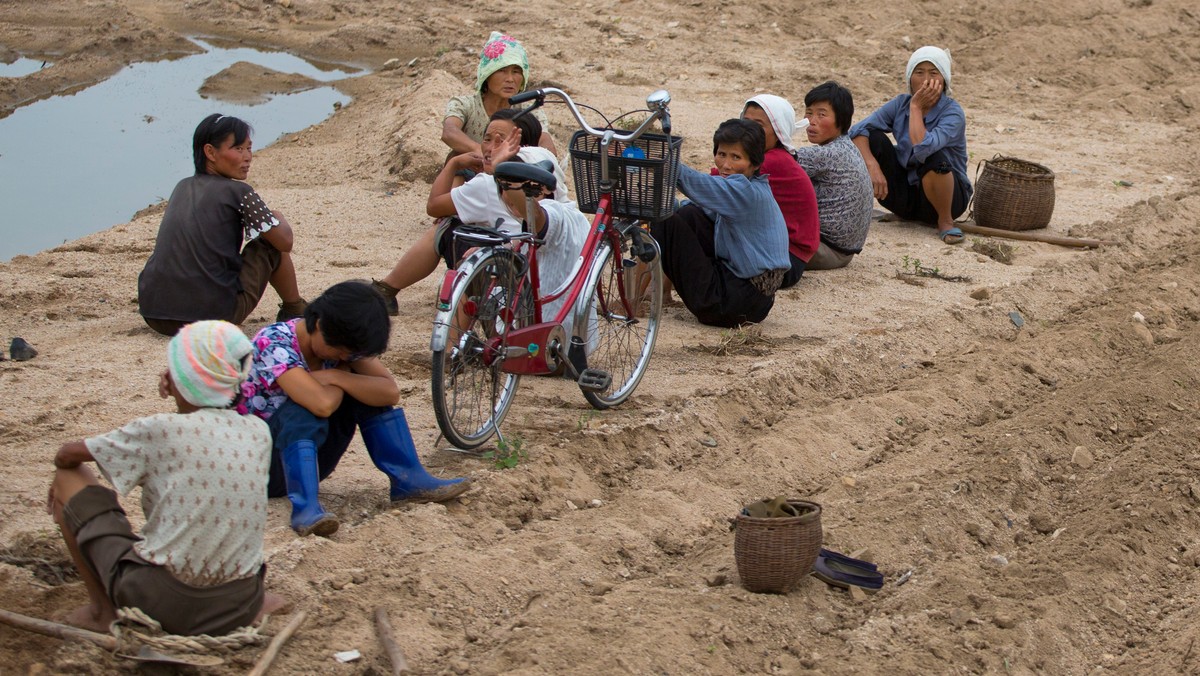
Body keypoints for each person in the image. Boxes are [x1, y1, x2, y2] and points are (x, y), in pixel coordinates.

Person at [46, 320, 282, 635]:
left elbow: (66, 455)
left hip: (159, 601)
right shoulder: (259, 431)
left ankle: (102, 611)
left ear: (179, 380)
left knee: (68, 478)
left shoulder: (158, 430)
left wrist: (178, 401)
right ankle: (247, 603)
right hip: (240, 604)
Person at [239, 281, 470, 537]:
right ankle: (305, 508)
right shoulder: (274, 342)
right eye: (340, 352)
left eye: (351, 355)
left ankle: (408, 479)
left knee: (366, 393)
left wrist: (339, 377)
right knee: (303, 408)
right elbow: (322, 404)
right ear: (317, 324)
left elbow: (389, 391)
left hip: (311, 462)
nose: (344, 357)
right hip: (260, 469)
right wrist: (344, 374)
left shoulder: (343, 345)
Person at [372, 108, 577, 316]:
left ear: (518, 147)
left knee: (446, 226)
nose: (489, 148)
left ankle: (387, 289)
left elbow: (433, 206)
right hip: (559, 271)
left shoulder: (486, 185)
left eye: (501, 141)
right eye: (487, 139)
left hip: (515, 275)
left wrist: (454, 163)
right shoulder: (548, 164)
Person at [138, 114, 308, 336]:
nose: (247, 157)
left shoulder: (181, 187)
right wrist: (277, 216)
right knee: (269, 244)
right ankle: (294, 309)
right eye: (238, 149)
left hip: (154, 314)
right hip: (210, 319)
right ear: (210, 152)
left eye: (249, 148)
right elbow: (284, 242)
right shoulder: (239, 192)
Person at [650, 119, 790, 328]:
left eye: (736, 157)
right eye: (722, 154)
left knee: (664, 221)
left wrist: (662, 160)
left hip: (734, 302)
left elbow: (698, 184)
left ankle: (641, 298)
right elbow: (695, 206)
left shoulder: (744, 191)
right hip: (755, 302)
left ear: (755, 163)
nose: (726, 165)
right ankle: (662, 292)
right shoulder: (753, 187)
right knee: (689, 213)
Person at [849, 46, 972, 244]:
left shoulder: (953, 113)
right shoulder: (899, 104)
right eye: (919, 72)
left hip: (947, 201)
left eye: (933, 73)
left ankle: (946, 222)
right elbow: (856, 131)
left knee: (933, 156)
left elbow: (923, 147)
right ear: (909, 78)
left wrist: (916, 107)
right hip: (905, 198)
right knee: (873, 138)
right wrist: (872, 165)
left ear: (944, 80)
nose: (925, 80)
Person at [740, 95, 819, 288]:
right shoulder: (766, 156)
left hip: (786, 259)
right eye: (745, 122)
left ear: (778, 131)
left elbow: (718, 184)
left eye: (758, 124)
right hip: (778, 251)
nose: (749, 130)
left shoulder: (772, 161)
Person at [794, 81, 875, 270]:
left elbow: (772, 168)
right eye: (809, 112)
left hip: (824, 250)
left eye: (822, 114)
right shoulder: (847, 146)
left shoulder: (826, 154)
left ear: (841, 120)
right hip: (843, 253)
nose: (811, 121)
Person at [442, 32, 556, 160]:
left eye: (516, 71)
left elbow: (546, 143)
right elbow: (449, 132)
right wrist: (482, 152)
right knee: (456, 156)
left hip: (511, 173)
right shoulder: (466, 105)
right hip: (474, 168)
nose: (510, 79)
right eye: (501, 71)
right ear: (487, 74)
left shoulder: (528, 108)